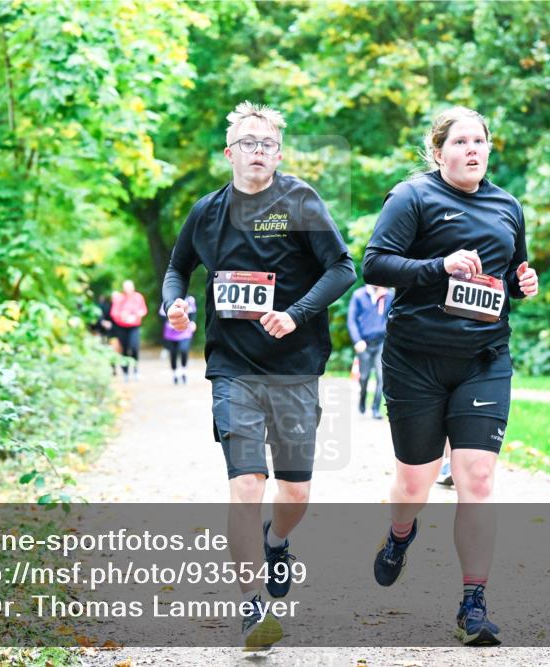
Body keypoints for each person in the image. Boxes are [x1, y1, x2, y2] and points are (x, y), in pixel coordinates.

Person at [162, 101, 355, 650]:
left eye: (268, 145)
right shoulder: (207, 212)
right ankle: (251, 608)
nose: (258, 152)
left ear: (278, 153)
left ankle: (277, 541)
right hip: (234, 368)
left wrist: (295, 314)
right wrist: (173, 304)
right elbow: (178, 268)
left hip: (295, 369)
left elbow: (344, 267)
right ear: (229, 152)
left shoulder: (300, 201)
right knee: (246, 484)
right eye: (248, 143)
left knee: (295, 493)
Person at [362, 106, 538, 646]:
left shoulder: (507, 206)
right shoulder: (412, 197)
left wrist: (521, 283)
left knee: (478, 481)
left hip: (483, 360)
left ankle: (473, 604)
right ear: (438, 152)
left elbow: (508, 276)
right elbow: (374, 265)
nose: (472, 149)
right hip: (415, 360)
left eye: (480, 141)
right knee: (414, 483)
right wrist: (438, 267)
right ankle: (399, 534)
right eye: (460, 141)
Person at [347, 283, 392, 419]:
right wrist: (357, 340)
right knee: (364, 377)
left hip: (381, 342)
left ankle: (375, 409)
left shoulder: (388, 296)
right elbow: (351, 320)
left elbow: (391, 317)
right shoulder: (358, 295)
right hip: (363, 343)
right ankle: (362, 400)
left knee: (381, 377)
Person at [110, 280, 147, 381]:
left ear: (133, 287)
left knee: (134, 347)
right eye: (126, 287)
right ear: (123, 288)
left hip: (134, 326)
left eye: (130, 287)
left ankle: (135, 370)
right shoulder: (119, 298)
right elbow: (114, 313)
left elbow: (143, 310)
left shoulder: (138, 297)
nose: (128, 289)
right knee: (124, 349)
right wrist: (122, 316)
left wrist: (139, 314)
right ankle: (125, 372)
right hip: (121, 327)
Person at [159, 295, 197, 385]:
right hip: (171, 332)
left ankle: (184, 371)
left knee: (184, 350)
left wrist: (193, 322)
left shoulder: (190, 299)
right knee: (173, 353)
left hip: (185, 331)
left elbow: (193, 313)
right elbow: (162, 315)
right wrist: (169, 323)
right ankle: (175, 373)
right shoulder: (167, 299)